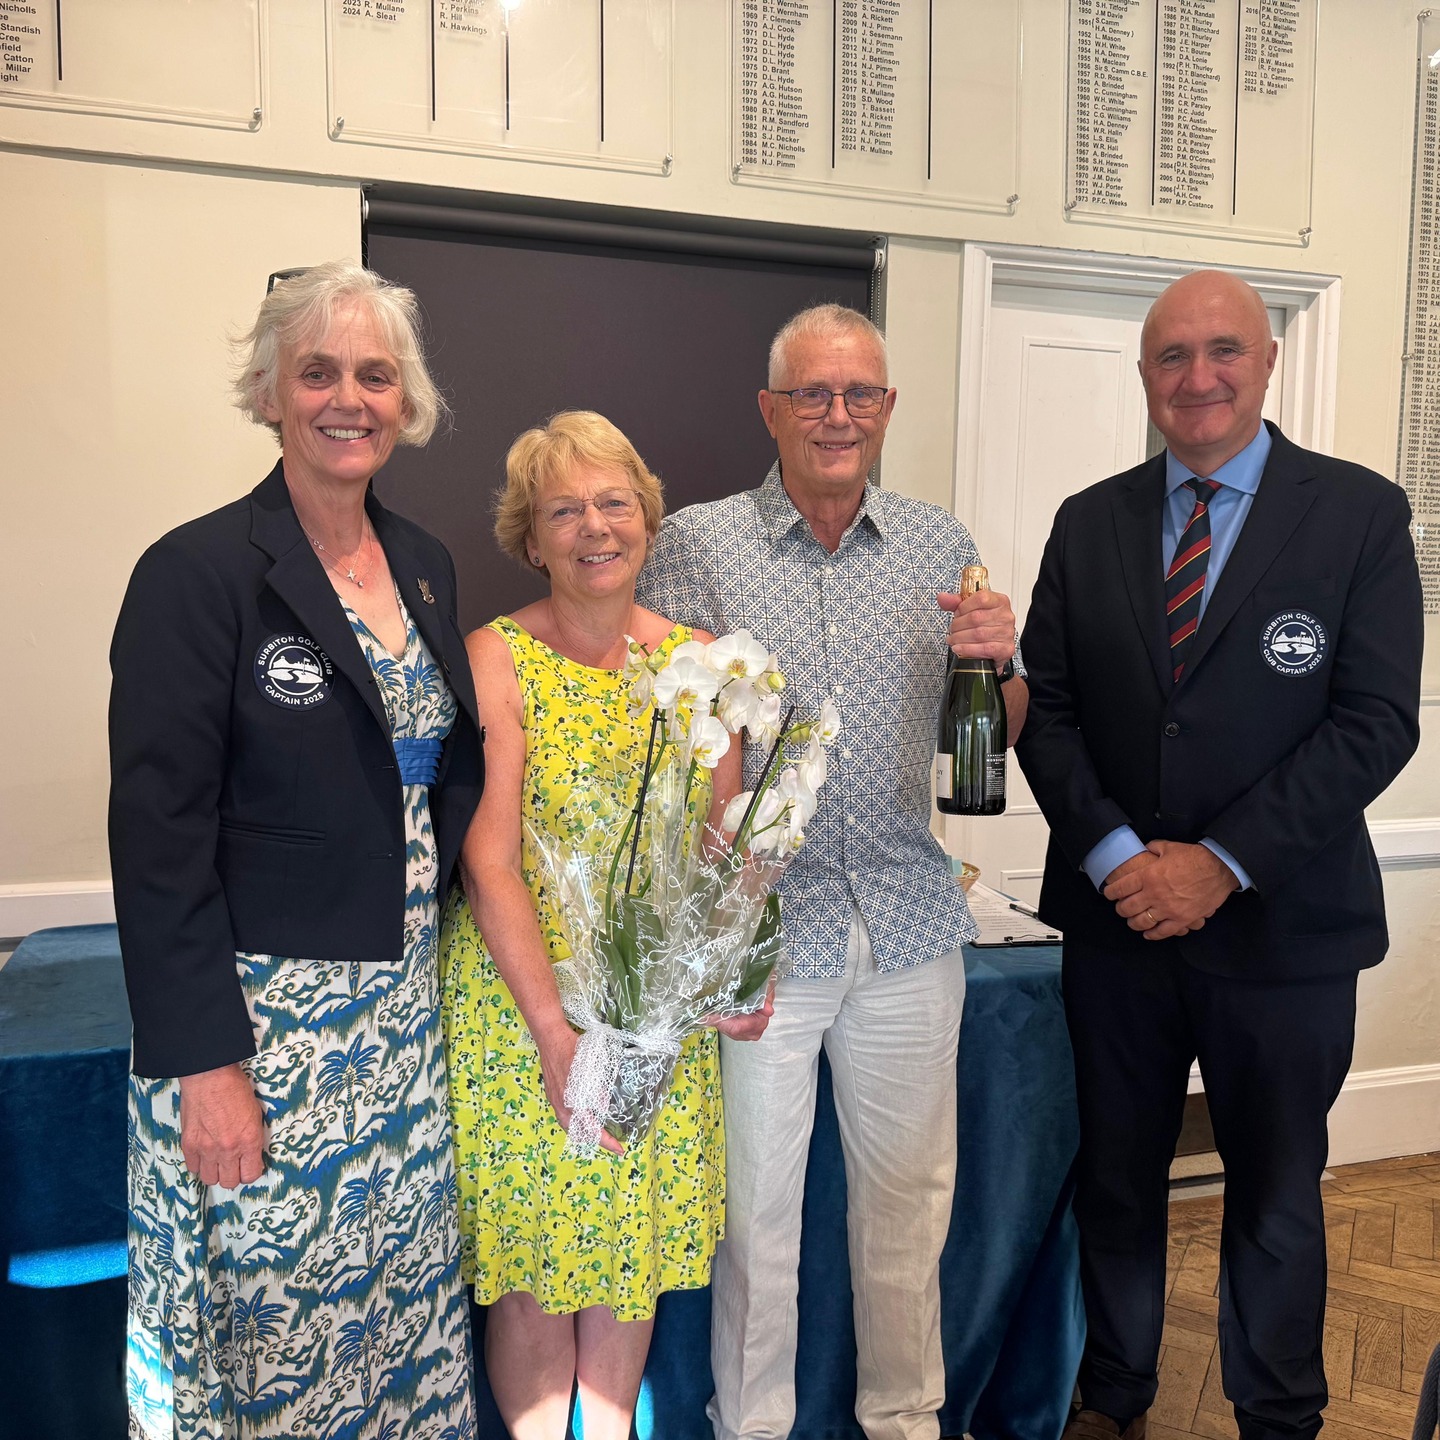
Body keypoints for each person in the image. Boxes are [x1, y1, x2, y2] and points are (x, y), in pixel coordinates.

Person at [1016, 270, 1423, 1440]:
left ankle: (1280, 1413)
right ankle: (1117, 1394)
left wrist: (1221, 862)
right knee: (1116, 1180)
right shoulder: (1087, 520)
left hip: (1285, 930)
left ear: (1268, 361)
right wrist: (1114, 857)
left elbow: (1375, 721)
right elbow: (1046, 711)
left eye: (1223, 352)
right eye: (1171, 357)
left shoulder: (1359, 515)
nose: (1198, 378)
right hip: (1117, 929)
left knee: (1278, 1196)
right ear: (1144, 377)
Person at [636, 304, 1028, 1440]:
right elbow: (662, 742)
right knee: (757, 1221)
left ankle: (905, 1422)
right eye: (812, 393)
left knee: (908, 1211)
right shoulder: (699, 546)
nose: (837, 414)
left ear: (889, 408)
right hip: (765, 940)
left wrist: (1002, 664)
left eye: (860, 393)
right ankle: (750, 1427)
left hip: (910, 923)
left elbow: (996, 728)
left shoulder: (938, 542)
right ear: (770, 410)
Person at [110, 261, 485, 1438]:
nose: (349, 399)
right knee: (269, 1346)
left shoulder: (424, 562)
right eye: (317, 371)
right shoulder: (197, 573)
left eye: (376, 376)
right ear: (270, 389)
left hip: (402, 1036)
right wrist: (208, 1069)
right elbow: (157, 840)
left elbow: (441, 787)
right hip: (264, 1043)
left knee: (394, 1333)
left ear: (406, 401)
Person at [438, 410, 768, 1440]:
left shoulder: (705, 661)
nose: (595, 526)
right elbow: (487, 861)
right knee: (541, 1270)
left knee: (628, 1261)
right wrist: (555, 1037)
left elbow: (727, 844)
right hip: (524, 1010)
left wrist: (734, 972)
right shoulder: (494, 658)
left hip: (656, 1016)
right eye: (564, 510)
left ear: (648, 520)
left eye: (614, 502)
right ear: (530, 539)